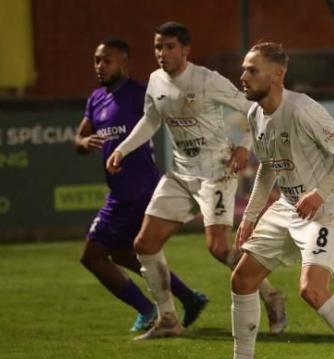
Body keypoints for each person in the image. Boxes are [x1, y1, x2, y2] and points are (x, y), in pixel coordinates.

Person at [196, 42, 334, 359]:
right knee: (242, 279)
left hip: (328, 206)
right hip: (289, 206)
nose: (242, 77)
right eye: (243, 69)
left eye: (251, 70)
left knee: (312, 290)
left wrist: (319, 193)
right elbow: (269, 168)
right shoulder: (257, 115)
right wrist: (251, 215)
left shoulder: (302, 109)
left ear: (277, 75)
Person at [105, 23, 286, 340]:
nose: (163, 53)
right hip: (181, 174)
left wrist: (245, 145)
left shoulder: (206, 79)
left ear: (186, 50)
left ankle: (271, 296)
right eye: (158, 47)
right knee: (144, 244)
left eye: (170, 46)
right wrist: (122, 149)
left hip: (216, 171)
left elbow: (255, 107)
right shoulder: (156, 81)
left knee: (218, 248)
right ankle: (167, 319)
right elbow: (151, 119)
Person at [75, 37, 207, 332]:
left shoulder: (139, 94)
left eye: (107, 60)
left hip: (139, 190)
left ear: (124, 61)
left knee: (93, 255)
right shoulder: (96, 98)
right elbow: (79, 139)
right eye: (97, 60)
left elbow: (171, 112)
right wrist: (84, 141)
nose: (100, 66)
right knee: (125, 253)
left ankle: (148, 310)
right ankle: (189, 298)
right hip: (120, 192)